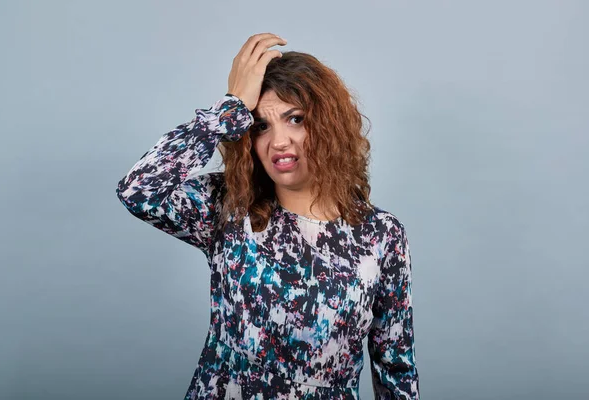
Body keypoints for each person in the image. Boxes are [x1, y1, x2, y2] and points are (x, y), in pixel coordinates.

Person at [116, 32, 419, 399]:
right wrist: (227, 110)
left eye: (295, 119)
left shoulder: (381, 236)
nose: (278, 141)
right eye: (261, 125)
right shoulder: (228, 207)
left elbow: (395, 369)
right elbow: (138, 190)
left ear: (329, 126)